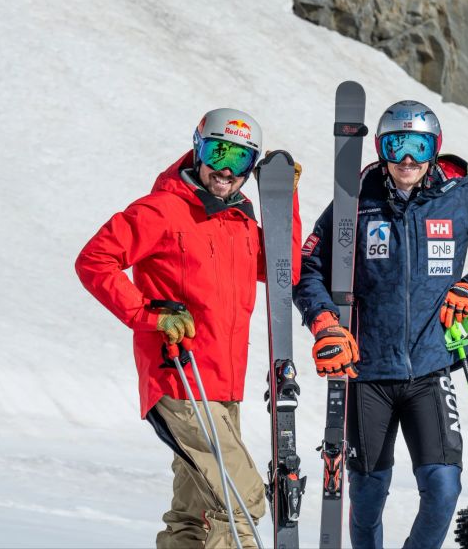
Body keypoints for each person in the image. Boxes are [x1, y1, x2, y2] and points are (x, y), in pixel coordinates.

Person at [293, 100, 468, 548]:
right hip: (365, 374)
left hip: (431, 370)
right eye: (397, 145)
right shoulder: (355, 200)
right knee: (368, 497)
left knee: (444, 489)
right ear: (381, 148)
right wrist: (324, 322)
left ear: (434, 148)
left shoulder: (460, 197)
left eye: (419, 145)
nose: (407, 159)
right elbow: (309, 265)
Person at [75, 108, 301, 548]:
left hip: (223, 386)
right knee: (239, 500)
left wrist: (282, 204)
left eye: (240, 161)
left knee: (192, 514)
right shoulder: (161, 210)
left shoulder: (239, 222)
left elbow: (284, 270)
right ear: (198, 148)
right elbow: (94, 261)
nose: (225, 170)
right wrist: (149, 316)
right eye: (218, 152)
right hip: (179, 378)